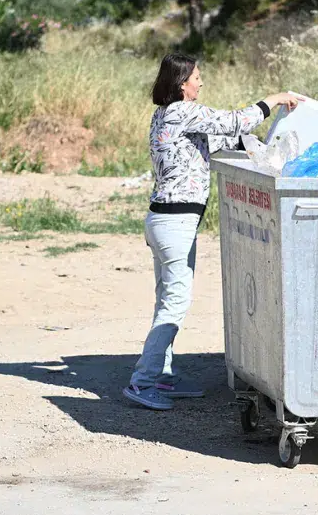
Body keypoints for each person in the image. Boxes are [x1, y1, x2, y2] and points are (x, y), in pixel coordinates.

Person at [123, 53, 301, 410]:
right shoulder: (181, 111)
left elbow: (221, 141)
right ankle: (143, 382)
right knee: (175, 303)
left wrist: (263, 145)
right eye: (197, 77)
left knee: (166, 300)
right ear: (181, 84)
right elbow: (233, 121)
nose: (201, 82)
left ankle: (162, 375)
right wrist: (274, 100)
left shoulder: (167, 115)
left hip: (165, 221)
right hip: (174, 224)